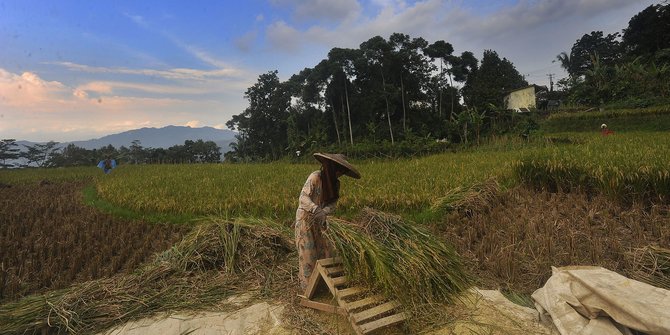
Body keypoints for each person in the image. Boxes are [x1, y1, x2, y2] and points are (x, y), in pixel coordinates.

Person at [295, 153, 361, 291]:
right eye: (338, 170)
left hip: (321, 221)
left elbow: (333, 204)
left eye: (341, 172)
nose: (339, 174)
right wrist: (315, 209)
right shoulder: (315, 177)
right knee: (308, 252)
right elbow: (303, 198)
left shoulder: (335, 184)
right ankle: (308, 287)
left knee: (326, 249)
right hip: (306, 220)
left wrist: (324, 212)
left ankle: (325, 283)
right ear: (331, 168)